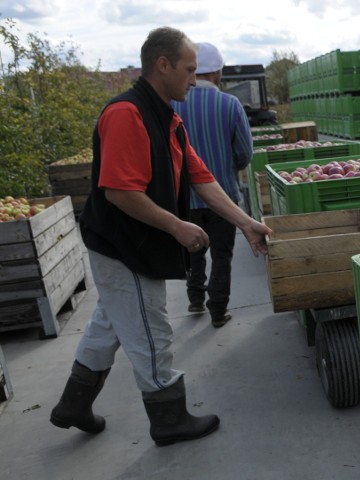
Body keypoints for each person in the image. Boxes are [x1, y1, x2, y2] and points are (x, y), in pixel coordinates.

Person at [49, 27, 272, 447]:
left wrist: (244, 222)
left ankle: (73, 405)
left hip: (136, 242)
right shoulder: (126, 113)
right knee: (151, 329)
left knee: (109, 324)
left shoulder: (167, 116)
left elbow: (200, 177)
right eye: (188, 70)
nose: (194, 78)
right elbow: (119, 191)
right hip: (124, 246)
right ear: (163, 65)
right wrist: (177, 225)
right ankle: (168, 418)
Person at [172, 42, 253, 328]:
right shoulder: (230, 105)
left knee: (193, 250)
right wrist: (228, 168)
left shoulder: (172, 104)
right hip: (224, 198)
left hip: (184, 199)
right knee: (222, 253)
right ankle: (218, 309)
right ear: (217, 72)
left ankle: (195, 297)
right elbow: (244, 153)